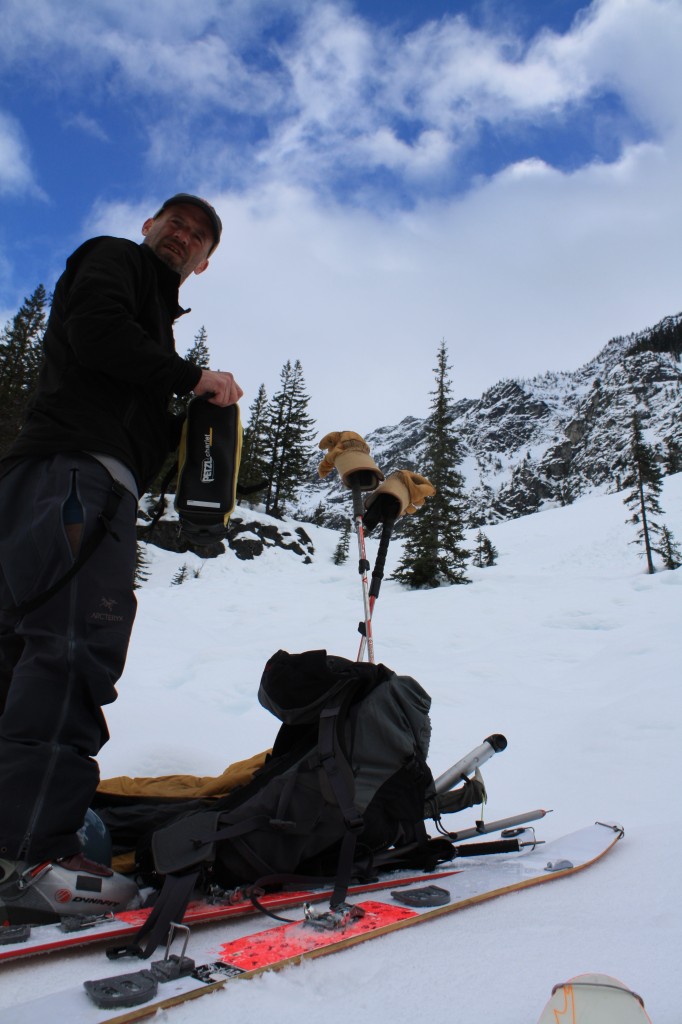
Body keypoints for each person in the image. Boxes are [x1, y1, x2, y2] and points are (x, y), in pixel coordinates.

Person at [0, 194, 242, 924]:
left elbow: (115, 366)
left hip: (43, 479)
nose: (184, 235)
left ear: (203, 264)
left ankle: (14, 837)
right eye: (176, 222)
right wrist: (192, 378)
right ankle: (31, 857)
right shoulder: (116, 261)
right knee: (74, 648)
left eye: (198, 236)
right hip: (77, 479)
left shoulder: (153, 316)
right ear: (149, 227)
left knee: (16, 654)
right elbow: (98, 330)